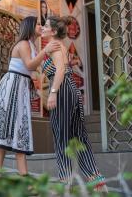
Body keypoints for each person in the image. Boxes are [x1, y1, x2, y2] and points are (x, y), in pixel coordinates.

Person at [0, 16, 60, 176]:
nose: (40, 26)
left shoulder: (31, 44)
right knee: (12, 128)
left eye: (41, 24)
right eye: (38, 24)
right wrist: (45, 51)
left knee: (14, 129)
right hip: (13, 87)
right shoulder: (24, 44)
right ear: (30, 27)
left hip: (18, 86)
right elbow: (30, 65)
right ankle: (16, 176)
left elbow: (31, 68)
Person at [42, 16, 108, 192]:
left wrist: (53, 93)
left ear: (54, 31)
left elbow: (60, 71)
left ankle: (65, 181)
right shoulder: (59, 46)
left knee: (62, 135)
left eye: (46, 26)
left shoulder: (55, 47)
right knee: (79, 137)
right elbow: (64, 67)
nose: (42, 27)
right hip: (72, 90)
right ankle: (97, 181)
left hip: (62, 90)